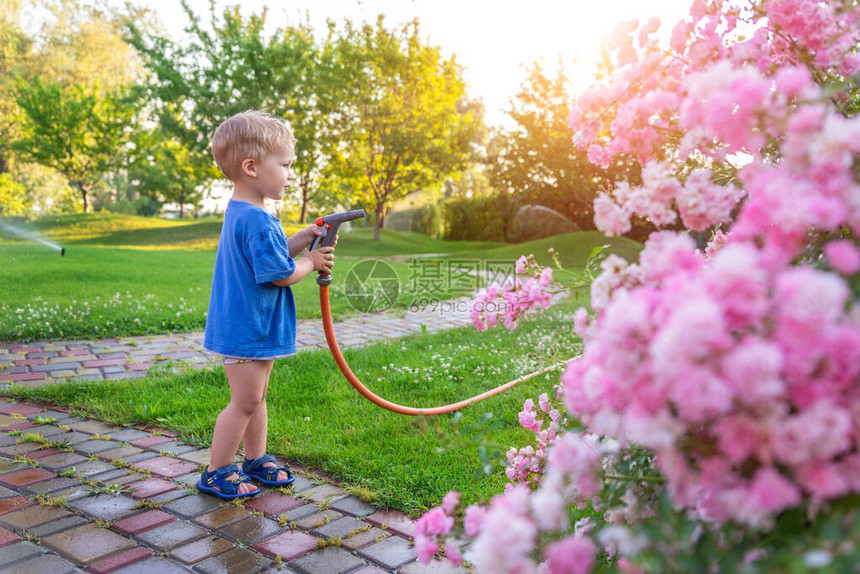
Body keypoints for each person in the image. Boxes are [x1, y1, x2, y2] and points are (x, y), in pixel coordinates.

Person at [198, 110, 334, 500]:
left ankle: (255, 459)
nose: (291, 174)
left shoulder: (249, 213)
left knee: (255, 398)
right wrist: (311, 261)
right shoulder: (256, 219)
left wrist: (305, 236)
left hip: (251, 325)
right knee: (245, 402)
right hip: (248, 327)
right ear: (252, 167)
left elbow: (271, 256)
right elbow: (278, 273)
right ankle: (218, 469)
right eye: (286, 165)